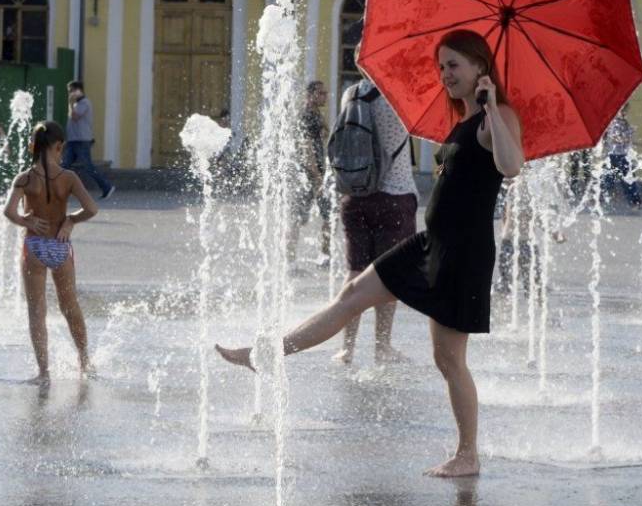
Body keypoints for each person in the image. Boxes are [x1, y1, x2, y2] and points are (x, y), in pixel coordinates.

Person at [217, 29, 523, 477]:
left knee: (449, 359)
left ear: (480, 66)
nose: (445, 74)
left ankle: (468, 455)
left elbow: (511, 166)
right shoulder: (460, 120)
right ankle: (269, 354)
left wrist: (491, 105)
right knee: (352, 294)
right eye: (442, 66)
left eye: (453, 64)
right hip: (430, 244)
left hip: (464, 254)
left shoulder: (498, 117)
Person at [332, 67, 417, 366]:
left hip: (355, 196)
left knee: (355, 272)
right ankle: (382, 346)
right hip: (395, 197)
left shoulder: (351, 93)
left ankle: (347, 348)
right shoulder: (401, 97)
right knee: (388, 276)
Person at [4, 121, 99, 383]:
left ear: (32, 146)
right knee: (70, 305)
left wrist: (26, 220)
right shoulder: (68, 178)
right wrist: (70, 221)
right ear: (59, 147)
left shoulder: (24, 178)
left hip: (34, 246)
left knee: (36, 311)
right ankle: (84, 361)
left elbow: (9, 212)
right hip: (60, 246)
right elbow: (91, 208)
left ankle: (43, 372)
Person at [287, 80, 331, 269]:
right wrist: (317, 175)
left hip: (316, 173)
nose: (325, 96)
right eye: (321, 93)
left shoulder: (314, 114)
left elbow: (324, 134)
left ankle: (323, 256)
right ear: (311, 95)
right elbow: (306, 148)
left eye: (325, 93)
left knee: (328, 215)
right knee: (297, 218)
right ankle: (289, 261)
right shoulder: (306, 115)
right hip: (308, 175)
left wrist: (324, 126)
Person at [61, 81, 114, 201]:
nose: (69, 93)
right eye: (69, 91)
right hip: (73, 141)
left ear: (79, 90)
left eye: (72, 90)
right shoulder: (76, 104)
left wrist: (70, 102)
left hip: (81, 141)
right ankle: (60, 191)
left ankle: (106, 187)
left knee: (88, 167)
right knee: (64, 166)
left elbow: (75, 117)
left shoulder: (84, 103)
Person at [602, 103, 642, 209]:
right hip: (614, 155)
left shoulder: (624, 123)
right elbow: (614, 137)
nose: (624, 112)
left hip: (622, 155)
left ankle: (634, 202)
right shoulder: (614, 123)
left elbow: (627, 141)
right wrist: (624, 138)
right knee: (615, 179)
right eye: (622, 110)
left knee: (623, 179)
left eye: (625, 110)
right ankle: (606, 201)